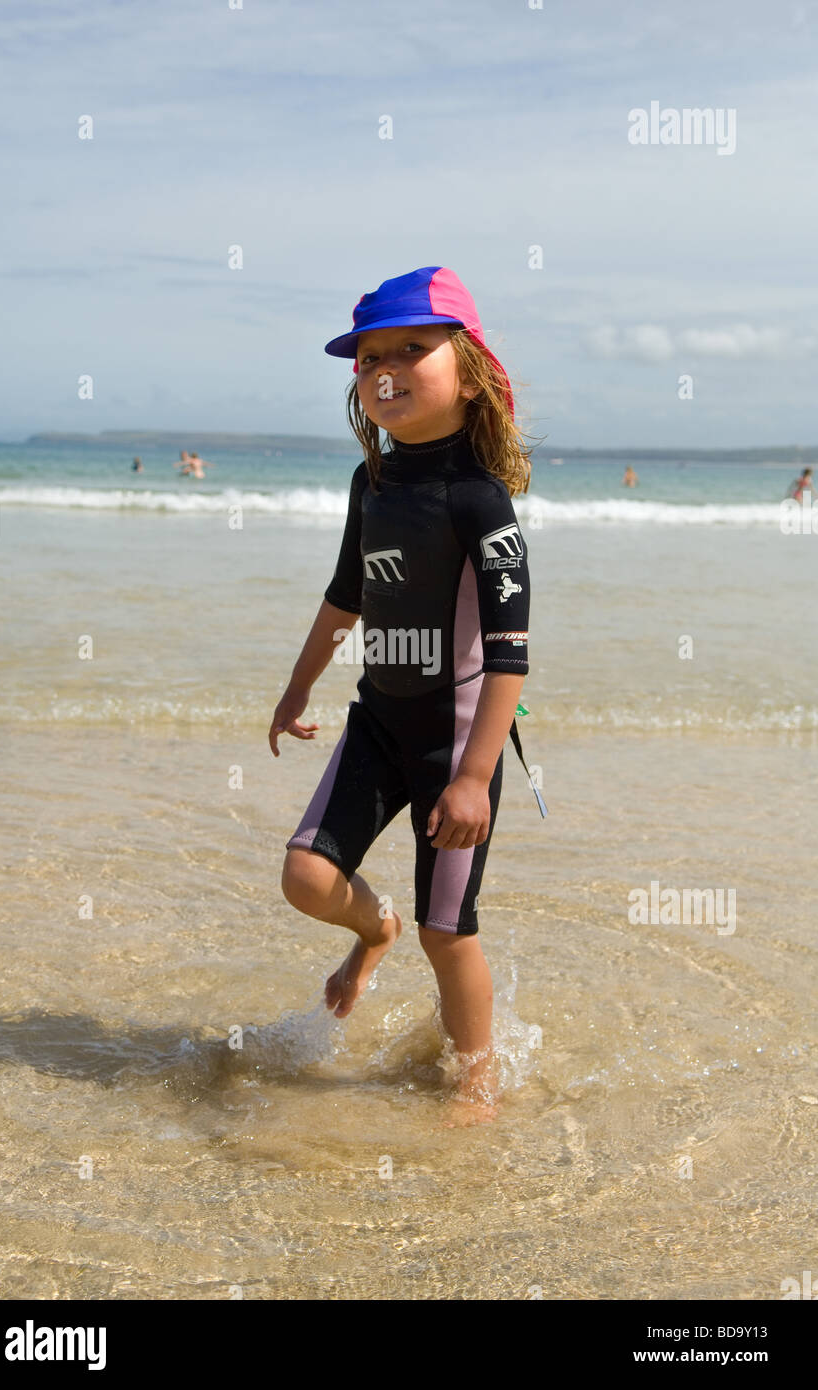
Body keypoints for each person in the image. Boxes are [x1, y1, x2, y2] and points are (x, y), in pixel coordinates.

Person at [270, 266, 538, 1123]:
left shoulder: (480, 502)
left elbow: (510, 657)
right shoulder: (372, 483)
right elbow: (345, 593)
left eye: (410, 350)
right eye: (367, 357)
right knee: (308, 878)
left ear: (470, 372)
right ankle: (369, 929)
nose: (383, 369)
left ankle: (477, 1079)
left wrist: (473, 776)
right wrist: (296, 687)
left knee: (446, 930)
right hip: (377, 720)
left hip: (457, 739)